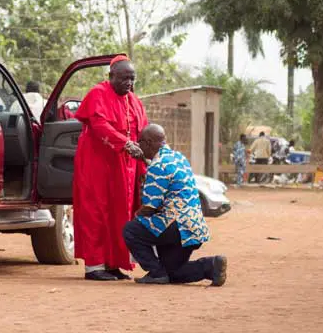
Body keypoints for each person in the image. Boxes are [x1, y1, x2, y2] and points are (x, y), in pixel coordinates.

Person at [72, 55, 148, 281]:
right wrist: (124, 144)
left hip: (125, 167)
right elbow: (99, 125)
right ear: (111, 76)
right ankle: (94, 267)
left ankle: (114, 263)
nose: (129, 84)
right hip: (97, 165)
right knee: (96, 212)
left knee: (121, 214)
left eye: (132, 79)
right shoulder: (97, 93)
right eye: (125, 79)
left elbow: (143, 129)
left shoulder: (133, 100)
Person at [123, 124, 227, 286]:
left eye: (140, 142)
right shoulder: (179, 157)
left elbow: (150, 207)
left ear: (148, 143)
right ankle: (211, 266)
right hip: (194, 227)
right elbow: (165, 173)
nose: (139, 146)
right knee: (172, 272)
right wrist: (144, 160)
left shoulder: (157, 166)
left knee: (131, 230)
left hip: (176, 227)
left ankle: (156, 273)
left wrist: (137, 216)